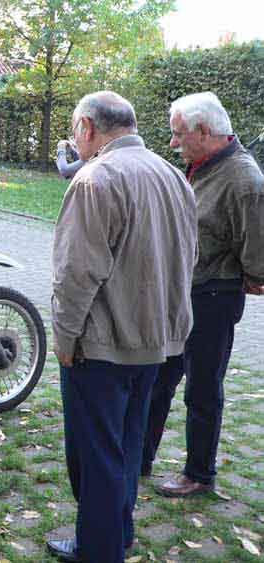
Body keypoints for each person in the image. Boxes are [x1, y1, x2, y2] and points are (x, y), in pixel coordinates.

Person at [48, 91, 197, 563]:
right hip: (156, 341)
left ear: (88, 128)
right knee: (128, 446)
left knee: (96, 457)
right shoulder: (174, 175)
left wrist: (65, 339)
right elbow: (188, 257)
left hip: (103, 346)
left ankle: (99, 549)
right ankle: (118, 531)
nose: (76, 141)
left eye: (76, 131)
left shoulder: (96, 178)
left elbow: (76, 273)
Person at [143, 92, 264, 496]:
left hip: (213, 297)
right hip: (183, 291)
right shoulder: (203, 165)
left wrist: (250, 275)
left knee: (202, 388)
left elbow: (258, 256)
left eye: (179, 135)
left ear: (205, 131)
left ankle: (198, 474)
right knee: (159, 378)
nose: (173, 143)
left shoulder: (244, 180)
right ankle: (139, 456)